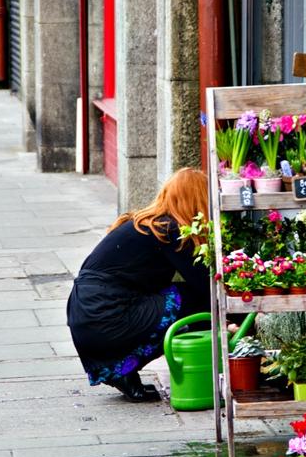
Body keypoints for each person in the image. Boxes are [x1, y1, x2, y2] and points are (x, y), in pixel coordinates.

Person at [67, 167, 211, 402]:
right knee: (190, 301)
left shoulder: (149, 223)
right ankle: (200, 368)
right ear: (196, 199)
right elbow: (204, 284)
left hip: (89, 315)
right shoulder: (169, 228)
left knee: (181, 300)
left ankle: (122, 371)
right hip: (104, 315)